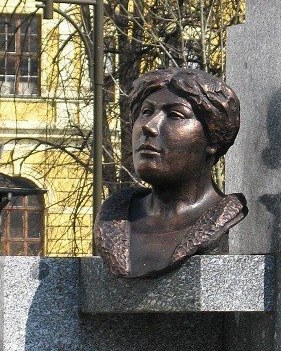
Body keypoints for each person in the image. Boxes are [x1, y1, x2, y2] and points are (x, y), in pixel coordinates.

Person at [95, 67, 246, 278]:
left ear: (213, 138)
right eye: (146, 112)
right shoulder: (116, 218)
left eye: (175, 115)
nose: (149, 126)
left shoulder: (225, 221)